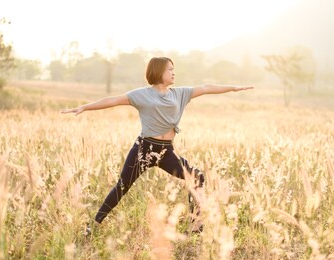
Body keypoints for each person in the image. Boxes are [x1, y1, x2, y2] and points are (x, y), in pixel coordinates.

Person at [61, 57, 254, 234]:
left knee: (196, 177)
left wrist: (233, 88)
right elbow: (112, 100)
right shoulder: (141, 95)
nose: (173, 72)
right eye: (170, 69)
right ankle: (93, 225)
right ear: (158, 71)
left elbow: (205, 87)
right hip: (143, 149)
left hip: (166, 152)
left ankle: (196, 225)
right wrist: (84, 107)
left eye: (173, 69)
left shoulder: (180, 94)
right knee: (122, 187)